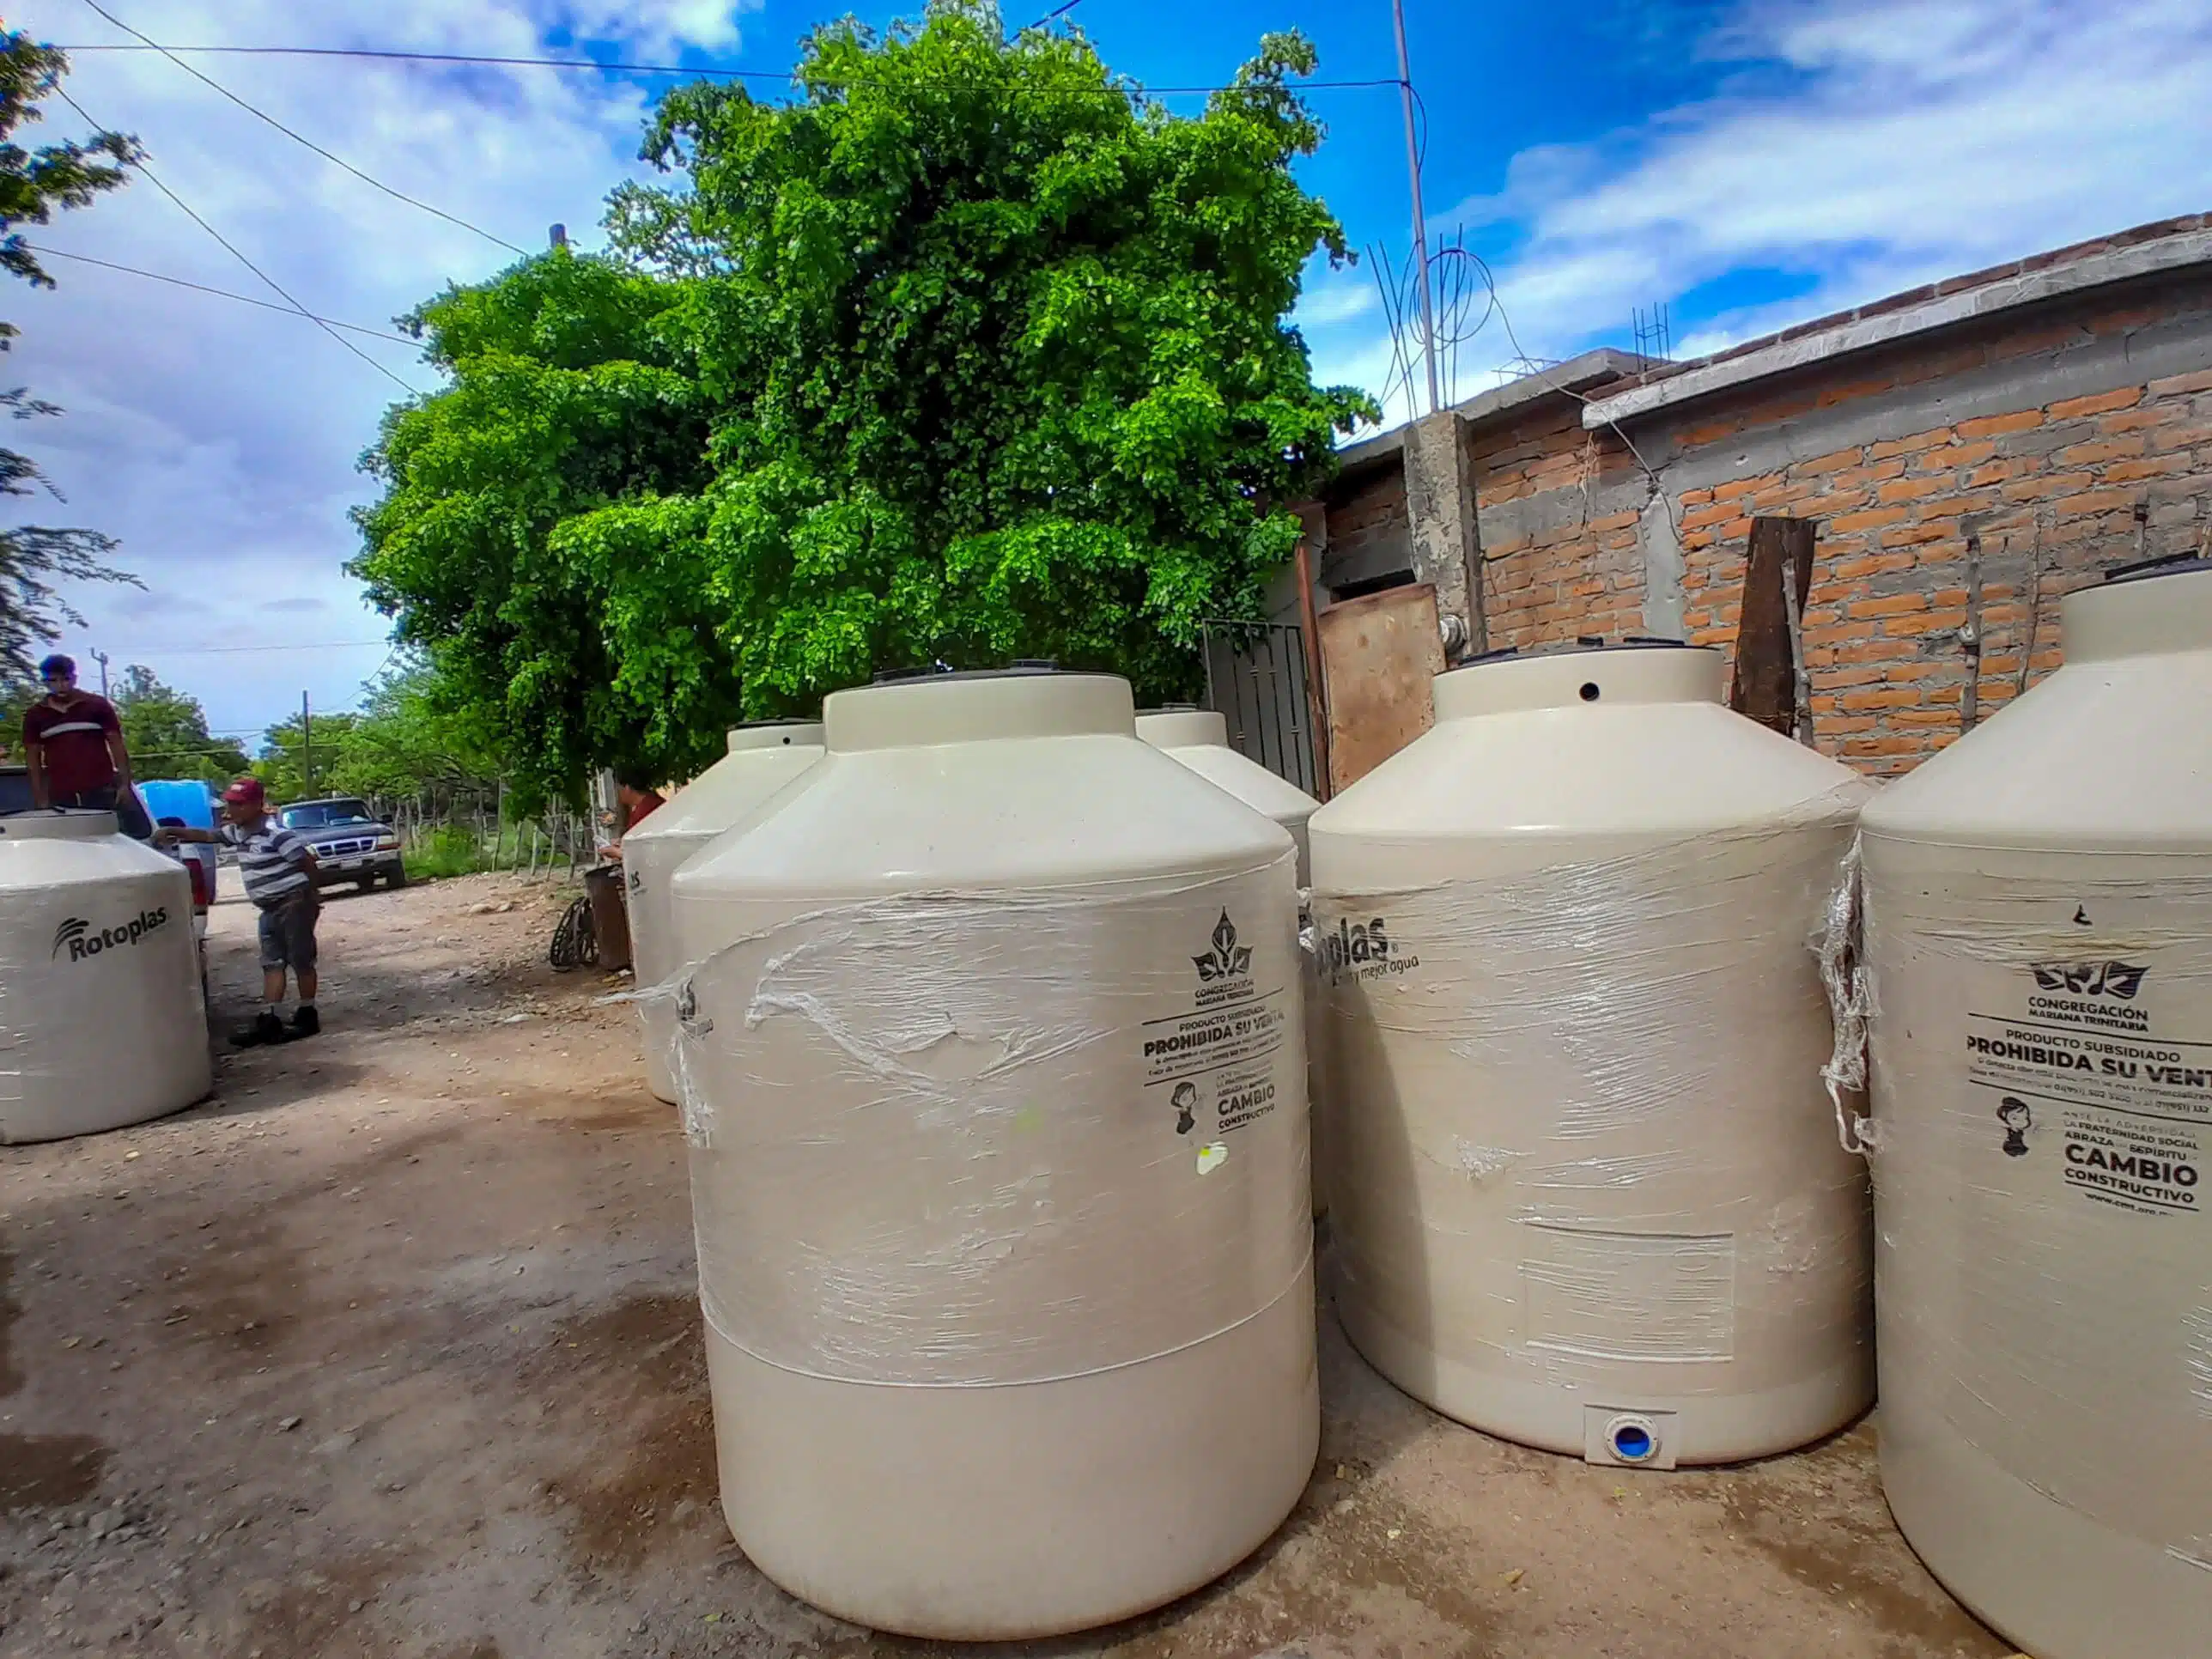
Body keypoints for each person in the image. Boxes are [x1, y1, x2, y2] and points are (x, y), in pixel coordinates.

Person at [159, 776, 322, 1047]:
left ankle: (307, 1013)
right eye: (230, 804)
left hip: (293, 903)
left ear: (257, 805)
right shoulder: (237, 832)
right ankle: (269, 1018)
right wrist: (175, 832)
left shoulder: (276, 835)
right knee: (272, 962)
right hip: (268, 907)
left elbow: (307, 863)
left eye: (238, 804)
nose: (231, 810)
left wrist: (312, 899)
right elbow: (208, 836)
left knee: (301, 958)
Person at [23, 653, 152, 838]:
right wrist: (40, 798)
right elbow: (32, 759)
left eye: (66, 679)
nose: (61, 685)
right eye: (54, 681)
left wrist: (124, 785)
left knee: (108, 840)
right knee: (72, 843)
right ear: (46, 683)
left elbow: (117, 745)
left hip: (100, 790)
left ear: (74, 678)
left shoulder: (96, 706)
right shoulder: (36, 715)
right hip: (62, 794)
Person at [598, 769, 665, 863]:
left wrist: (617, 853)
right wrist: (622, 843)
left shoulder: (646, 811)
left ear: (627, 788)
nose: (617, 793)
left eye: (618, 789)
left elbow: (644, 852)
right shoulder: (653, 803)